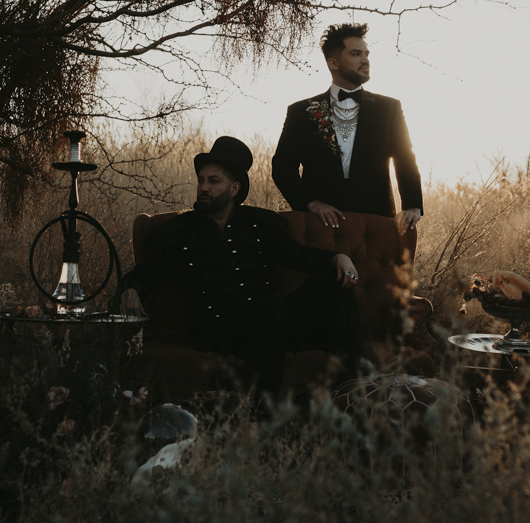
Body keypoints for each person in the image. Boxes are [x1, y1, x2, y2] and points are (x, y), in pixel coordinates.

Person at [123, 136, 364, 400]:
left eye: (213, 181)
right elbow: (143, 273)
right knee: (270, 306)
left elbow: (298, 255)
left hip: (273, 323)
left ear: (234, 188)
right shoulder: (181, 232)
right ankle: (265, 409)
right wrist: (130, 289)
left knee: (333, 282)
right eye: (201, 180)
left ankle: (353, 392)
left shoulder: (257, 225)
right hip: (220, 332)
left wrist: (337, 257)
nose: (203, 187)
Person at [271, 23, 423, 231]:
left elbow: (405, 158)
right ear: (333, 63)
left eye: (366, 54)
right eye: (356, 54)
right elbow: (282, 167)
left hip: (376, 223)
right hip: (318, 225)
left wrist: (413, 205)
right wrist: (311, 203)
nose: (365, 60)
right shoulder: (301, 111)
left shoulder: (389, 108)